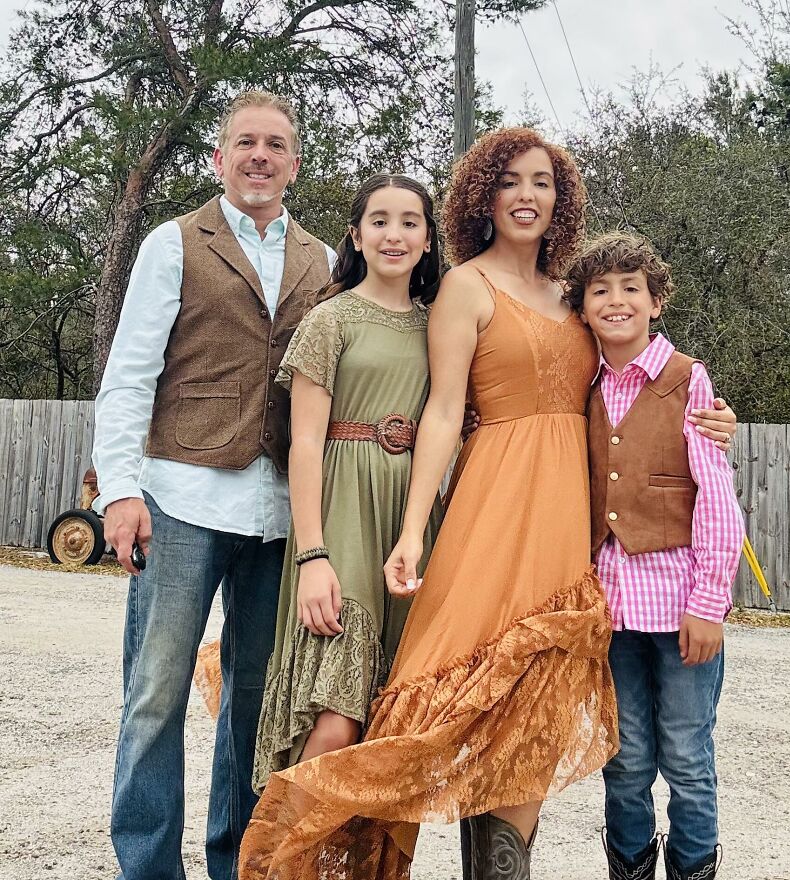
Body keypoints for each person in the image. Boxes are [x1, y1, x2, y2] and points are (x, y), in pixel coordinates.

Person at [238, 127, 618, 880]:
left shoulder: (574, 294)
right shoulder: (463, 287)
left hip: (564, 516)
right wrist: (413, 529)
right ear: (484, 195)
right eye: (510, 181)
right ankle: (280, 860)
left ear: (561, 198)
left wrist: (705, 407)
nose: (526, 195)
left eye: (541, 181)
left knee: (530, 710)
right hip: (491, 505)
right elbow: (442, 412)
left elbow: (634, 368)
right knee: (428, 705)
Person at [91, 90, 336, 880]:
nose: (259, 156)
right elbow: (129, 375)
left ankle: (239, 863)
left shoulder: (323, 260)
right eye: (244, 143)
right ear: (219, 158)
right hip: (180, 500)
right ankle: (148, 867)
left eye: (275, 145)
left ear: (294, 164)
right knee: (156, 697)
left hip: (278, 517)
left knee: (258, 707)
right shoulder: (173, 242)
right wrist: (120, 491)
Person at [251, 173, 444, 791]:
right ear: (356, 236)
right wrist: (312, 554)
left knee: (389, 722)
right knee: (334, 718)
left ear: (428, 239)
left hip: (409, 517)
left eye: (409, 221)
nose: (394, 234)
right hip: (339, 514)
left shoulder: (440, 326)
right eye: (379, 220)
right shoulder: (328, 321)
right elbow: (304, 442)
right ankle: (279, 858)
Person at [568, 232, 745, 880]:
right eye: (599, 290)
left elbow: (717, 502)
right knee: (627, 758)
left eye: (630, 288)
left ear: (656, 302)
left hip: (680, 612)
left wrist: (709, 605)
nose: (615, 300)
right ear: (582, 309)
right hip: (610, 613)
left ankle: (694, 868)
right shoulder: (583, 386)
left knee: (688, 758)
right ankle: (631, 870)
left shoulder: (686, 380)